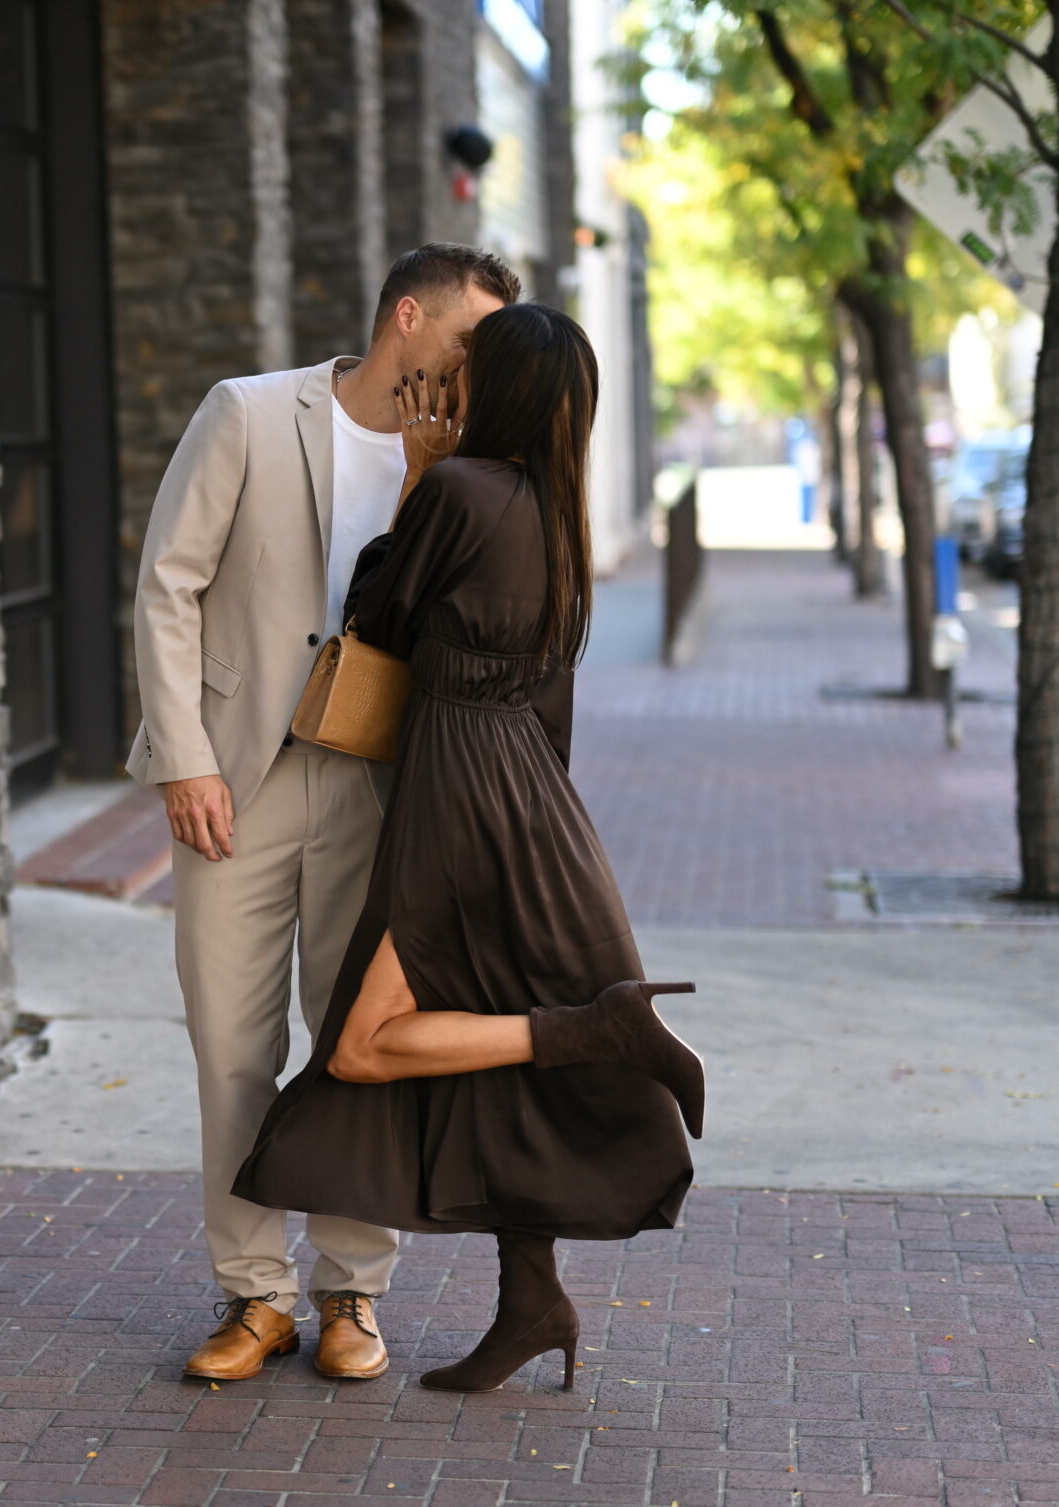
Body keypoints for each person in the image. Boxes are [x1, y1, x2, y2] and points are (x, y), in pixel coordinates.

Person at [232, 302, 702, 1394]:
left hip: (452, 795)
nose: (447, 386)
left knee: (363, 1046)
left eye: (468, 373)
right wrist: (546, 836)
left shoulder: (455, 490)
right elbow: (552, 697)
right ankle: (531, 1301)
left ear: (503, 391)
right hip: (526, 798)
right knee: (471, 1033)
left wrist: (411, 475)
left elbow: (378, 617)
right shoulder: (560, 515)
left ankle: (583, 1033)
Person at [129, 244, 522, 1382]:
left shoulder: (456, 454)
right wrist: (181, 758)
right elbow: (168, 585)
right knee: (233, 1050)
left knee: (362, 1047)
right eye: (467, 339)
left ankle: (353, 1293)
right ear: (410, 315)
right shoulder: (248, 415)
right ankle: (254, 1297)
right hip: (238, 783)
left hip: (381, 786)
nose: (474, 364)